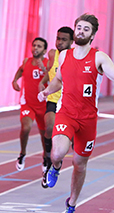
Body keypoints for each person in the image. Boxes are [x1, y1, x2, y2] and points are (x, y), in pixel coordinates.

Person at [37, 13, 114, 213]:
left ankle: (71, 204)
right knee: (58, 152)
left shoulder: (99, 57)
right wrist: (46, 91)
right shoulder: (64, 56)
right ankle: (55, 167)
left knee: (80, 165)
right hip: (66, 114)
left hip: (88, 120)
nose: (80, 31)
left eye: (86, 29)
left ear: (93, 35)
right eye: (78, 27)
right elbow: (58, 80)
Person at [38, 27, 74, 188]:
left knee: (69, 142)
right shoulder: (53, 54)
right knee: (49, 127)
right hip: (53, 99)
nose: (59, 42)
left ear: (72, 42)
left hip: (69, 102)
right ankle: (47, 159)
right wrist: (42, 81)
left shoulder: (75, 56)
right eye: (58, 38)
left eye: (64, 39)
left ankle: (56, 162)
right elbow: (51, 72)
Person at [12, 37, 49, 172]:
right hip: (28, 103)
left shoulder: (47, 63)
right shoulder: (27, 61)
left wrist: (44, 69)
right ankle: (22, 154)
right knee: (26, 128)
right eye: (34, 45)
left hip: (43, 104)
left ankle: (46, 156)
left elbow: (53, 77)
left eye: (39, 46)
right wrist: (15, 80)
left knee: (44, 134)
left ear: (44, 50)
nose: (36, 48)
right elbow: (21, 70)